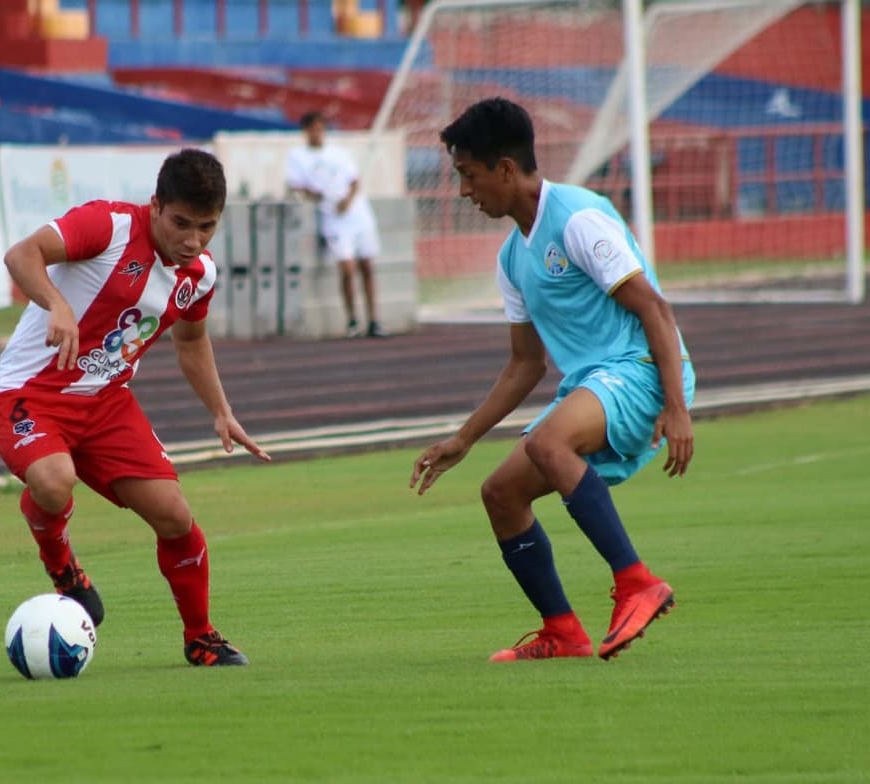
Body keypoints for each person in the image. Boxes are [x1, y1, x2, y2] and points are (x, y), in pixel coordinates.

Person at [409, 98, 696, 662]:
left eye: (469, 176)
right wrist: (462, 440)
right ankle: (563, 631)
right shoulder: (513, 257)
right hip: (594, 383)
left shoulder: (579, 219)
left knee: (547, 442)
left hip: (642, 371)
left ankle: (636, 581)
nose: (465, 191)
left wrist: (676, 407)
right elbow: (526, 364)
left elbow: (656, 311)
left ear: (506, 169)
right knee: (501, 494)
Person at [0, 148, 271, 668]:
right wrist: (59, 304)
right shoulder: (109, 225)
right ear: (156, 205)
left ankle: (201, 637)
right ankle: (64, 568)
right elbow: (21, 255)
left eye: (206, 227)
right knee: (53, 481)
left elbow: (191, 341)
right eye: (181, 223)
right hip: (31, 394)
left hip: (107, 404)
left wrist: (220, 410)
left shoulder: (200, 274)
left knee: (176, 516)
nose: (193, 240)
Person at [285, 110, 387, 338]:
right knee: (347, 268)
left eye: (321, 129)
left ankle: (374, 320)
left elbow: (354, 181)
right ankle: (352, 320)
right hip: (332, 217)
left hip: (357, 213)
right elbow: (296, 185)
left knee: (367, 265)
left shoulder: (339, 153)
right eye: (313, 129)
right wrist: (318, 195)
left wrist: (347, 201)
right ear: (306, 131)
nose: (317, 134)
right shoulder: (297, 156)